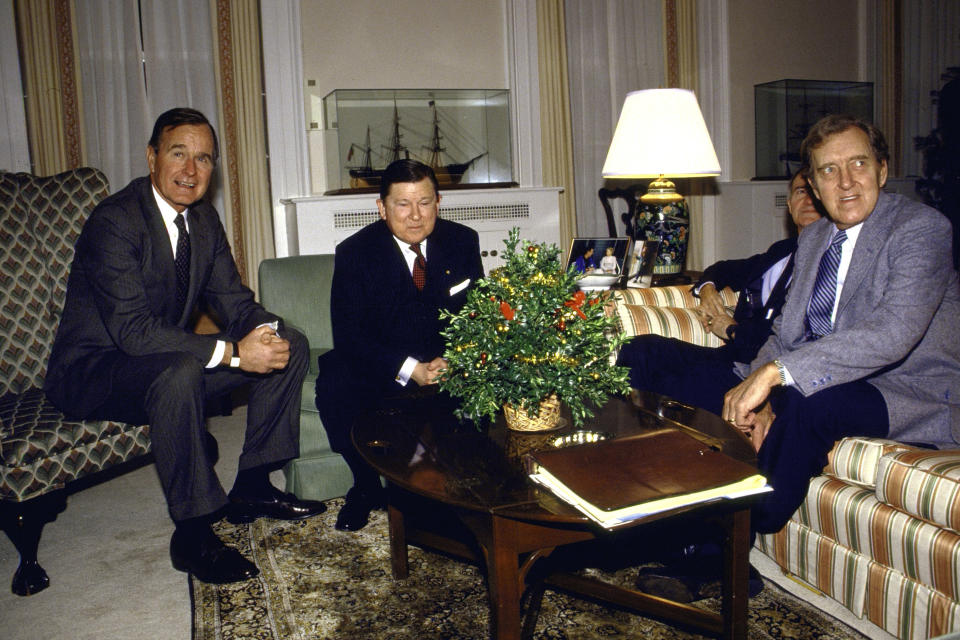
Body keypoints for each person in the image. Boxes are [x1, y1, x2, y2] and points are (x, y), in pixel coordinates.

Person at [44, 108, 325, 585]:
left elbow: (234, 302)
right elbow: (134, 332)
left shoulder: (203, 220)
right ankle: (193, 533)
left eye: (203, 158)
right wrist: (237, 353)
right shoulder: (115, 221)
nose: (190, 171)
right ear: (152, 157)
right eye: (178, 154)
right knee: (180, 372)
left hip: (163, 358)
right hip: (95, 370)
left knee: (291, 343)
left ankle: (254, 485)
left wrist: (266, 332)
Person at [723, 114, 959, 535]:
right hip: (837, 380)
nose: (846, 182)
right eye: (829, 170)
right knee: (715, 387)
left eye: (859, 164)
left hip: (914, 389)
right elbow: (786, 333)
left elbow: (894, 332)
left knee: (805, 400)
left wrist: (775, 376)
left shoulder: (921, 229)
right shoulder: (815, 238)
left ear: (882, 171)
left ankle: (731, 535)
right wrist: (756, 393)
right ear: (814, 186)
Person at [314, 159, 484, 532]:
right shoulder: (355, 253)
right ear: (382, 207)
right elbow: (349, 336)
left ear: (438, 201)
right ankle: (364, 484)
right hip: (384, 365)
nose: (415, 216)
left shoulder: (462, 241)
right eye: (402, 204)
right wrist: (411, 369)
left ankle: (469, 481)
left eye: (424, 202)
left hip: (446, 365)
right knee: (335, 380)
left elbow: (477, 317)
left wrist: (455, 359)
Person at [616, 169, 823, 413]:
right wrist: (707, 289)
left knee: (665, 384)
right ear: (789, 204)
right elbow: (723, 269)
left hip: (758, 376)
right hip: (729, 359)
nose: (808, 200)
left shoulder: (826, 267)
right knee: (640, 348)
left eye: (813, 193)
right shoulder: (781, 252)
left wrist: (732, 330)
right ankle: (620, 436)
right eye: (800, 192)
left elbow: (792, 341)